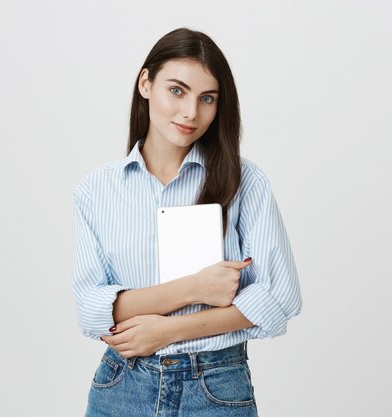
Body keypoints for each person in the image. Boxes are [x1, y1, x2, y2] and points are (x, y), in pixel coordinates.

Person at [71, 27, 302, 416]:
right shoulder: (95, 190)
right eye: (176, 90)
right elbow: (92, 309)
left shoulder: (246, 183)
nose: (191, 112)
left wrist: (166, 330)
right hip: (121, 387)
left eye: (206, 98)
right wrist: (194, 287)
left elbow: (279, 298)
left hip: (215, 388)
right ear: (146, 83)